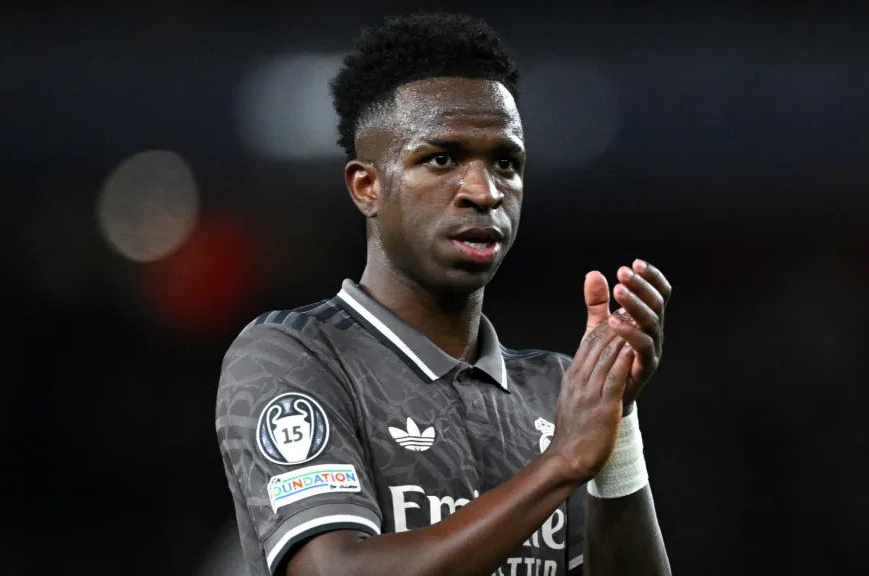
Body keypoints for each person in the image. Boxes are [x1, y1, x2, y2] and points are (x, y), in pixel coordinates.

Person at [215, 13, 672, 576]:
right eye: (442, 159)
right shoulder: (294, 356)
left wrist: (616, 420)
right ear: (368, 186)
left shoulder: (557, 392)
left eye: (506, 163)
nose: (484, 192)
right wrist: (559, 464)